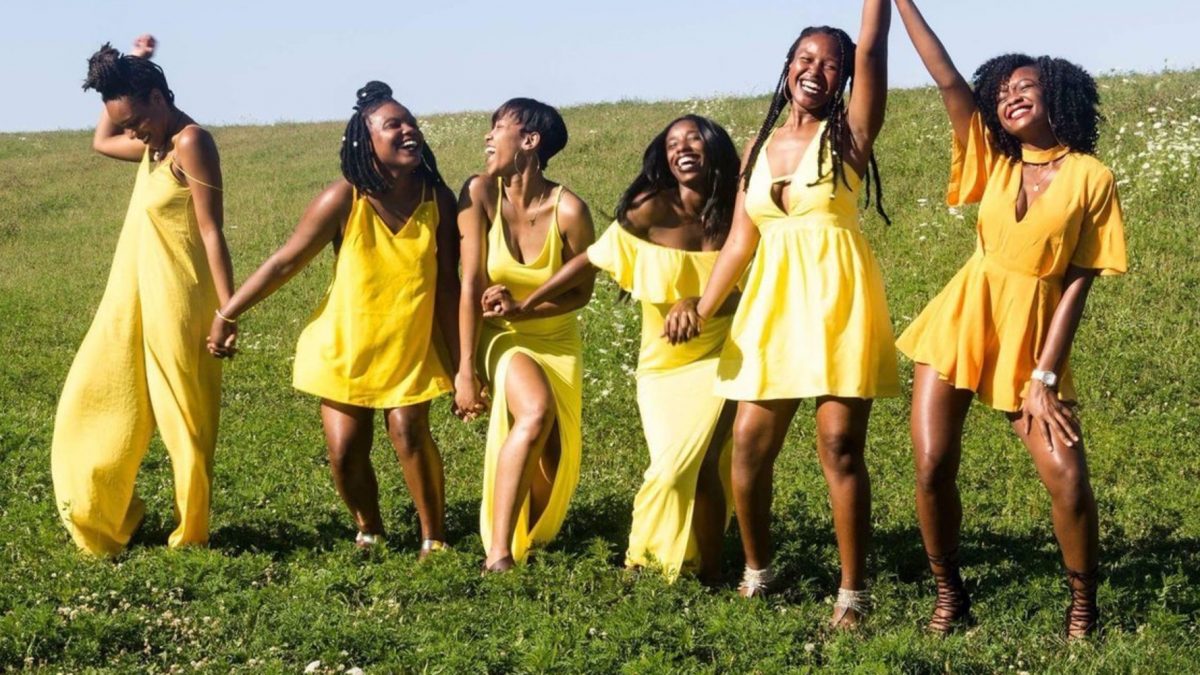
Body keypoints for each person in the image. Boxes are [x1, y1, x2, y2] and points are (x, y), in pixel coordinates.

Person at [892, 0, 1127, 639]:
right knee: (932, 465)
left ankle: (1083, 608)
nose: (1010, 97)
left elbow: (1077, 282)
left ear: (1057, 96)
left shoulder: (1092, 177)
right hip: (961, 320)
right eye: (1000, 93)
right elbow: (948, 79)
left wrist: (1044, 376)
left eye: (1025, 86)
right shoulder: (995, 161)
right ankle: (950, 595)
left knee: (1068, 478)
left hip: (1032, 336)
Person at [665, 0, 896, 626]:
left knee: (839, 445)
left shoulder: (849, 134)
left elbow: (874, 48)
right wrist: (702, 306)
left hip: (838, 302)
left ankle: (853, 593)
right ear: (788, 64)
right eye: (805, 58)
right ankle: (757, 571)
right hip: (773, 309)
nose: (815, 71)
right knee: (747, 446)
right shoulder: (759, 145)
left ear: (845, 76)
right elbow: (741, 240)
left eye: (831, 63)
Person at [207, 82, 459, 556]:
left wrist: (463, 364)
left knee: (409, 433)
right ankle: (370, 529)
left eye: (410, 122)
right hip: (345, 346)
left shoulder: (438, 200)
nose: (409, 130)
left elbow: (449, 285)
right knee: (344, 452)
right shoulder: (344, 199)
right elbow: (285, 262)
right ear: (367, 141)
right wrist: (228, 312)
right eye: (394, 125)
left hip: (408, 346)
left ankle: (434, 538)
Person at [491, 115, 741, 582]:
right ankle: (661, 559)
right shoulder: (651, 209)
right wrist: (528, 303)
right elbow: (591, 259)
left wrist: (696, 302)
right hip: (662, 367)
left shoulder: (739, 214)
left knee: (703, 463)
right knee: (670, 468)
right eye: (672, 143)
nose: (682, 149)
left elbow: (760, 286)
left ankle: (704, 570)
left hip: (725, 357)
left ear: (714, 148)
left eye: (693, 139)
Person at [52, 35, 235, 555]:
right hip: (134, 297)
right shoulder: (152, 146)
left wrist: (228, 311)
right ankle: (102, 515)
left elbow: (212, 231)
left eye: (136, 121)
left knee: (185, 417)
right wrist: (135, 66)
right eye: (126, 125)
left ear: (159, 98)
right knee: (98, 395)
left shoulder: (191, 143)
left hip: (181, 299)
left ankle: (191, 534)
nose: (131, 133)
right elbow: (101, 141)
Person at [455, 98, 595, 571]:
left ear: (530, 141)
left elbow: (581, 292)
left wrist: (526, 305)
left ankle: (527, 536)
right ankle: (498, 555)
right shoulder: (479, 192)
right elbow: (471, 282)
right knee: (535, 411)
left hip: (556, 342)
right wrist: (465, 369)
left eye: (499, 127)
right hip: (500, 337)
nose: (488, 136)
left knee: (551, 457)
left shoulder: (570, 211)